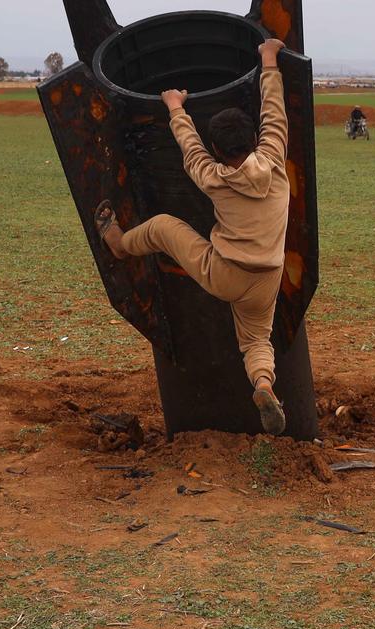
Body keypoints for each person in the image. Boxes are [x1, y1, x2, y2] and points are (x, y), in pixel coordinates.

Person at [94, 38, 291, 435]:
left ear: (217, 149)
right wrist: (268, 59)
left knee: (164, 227)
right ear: (255, 140)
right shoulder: (274, 160)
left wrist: (175, 107)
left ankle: (119, 245)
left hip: (224, 272)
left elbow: (190, 150)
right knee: (256, 340)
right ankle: (264, 384)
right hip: (267, 277)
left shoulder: (214, 177)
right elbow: (275, 112)